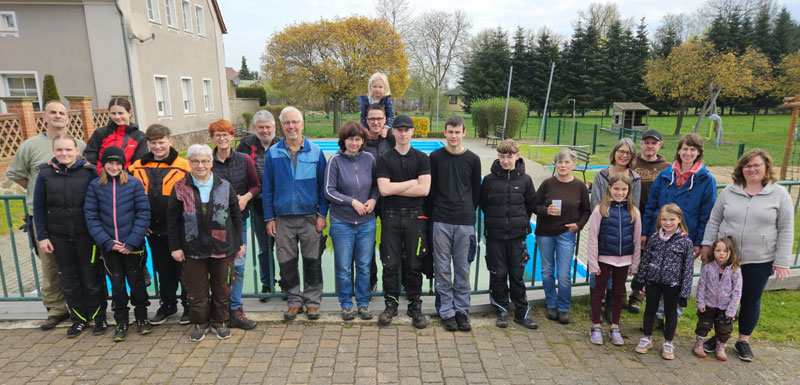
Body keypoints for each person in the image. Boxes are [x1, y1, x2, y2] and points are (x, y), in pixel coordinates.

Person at [699, 149, 794, 362]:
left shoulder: (779, 194)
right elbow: (714, 219)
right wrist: (707, 245)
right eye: (747, 166)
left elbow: (786, 228)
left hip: (758, 259)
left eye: (756, 165)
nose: (752, 169)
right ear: (741, 169)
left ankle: (743, 340)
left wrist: (781, 261)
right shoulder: (730, 192)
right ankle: (720, 336)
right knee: (721, 300)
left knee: (750, 299)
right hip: (725, 259)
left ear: (766, 168)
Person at [7, 100, 86, 330]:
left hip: (74, 214)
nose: (57, 116)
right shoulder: (31, 146)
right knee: (50, 265)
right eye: (53, 112)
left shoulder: (78, 144)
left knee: (78, 263)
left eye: (62, 113)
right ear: (44, 117)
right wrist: (38, 192)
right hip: (43, 216)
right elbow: (17, 174)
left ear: (68, 118)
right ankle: (56, 309)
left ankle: (82, 307)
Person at [168, 144, 245, 342]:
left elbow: (236, 217)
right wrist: (175, 247)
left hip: (222, 247)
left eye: (204, 161)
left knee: (222, 286)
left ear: (211, 163)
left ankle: (220, 322)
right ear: (189, 163)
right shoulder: (179, 188)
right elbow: (173, 221)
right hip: (192, 247)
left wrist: (239, 244)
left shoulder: (224, 186)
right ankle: (200, 323)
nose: (200, 165)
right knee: (196, 289)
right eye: (195, 161)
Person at [32, 134, 103, 338]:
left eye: (68, 150)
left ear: (76, 151)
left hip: (86, 236)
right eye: (60, 150)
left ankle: (98, 317)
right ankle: (79, 319)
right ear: (54, 151)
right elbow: (38, 208)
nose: (64, 153)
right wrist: (43, 236)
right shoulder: (45, 174)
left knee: (91, 277)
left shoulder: (89, 173)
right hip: (59, 237)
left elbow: (99, 203)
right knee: (69, 279)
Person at [642, 133, 716, 326]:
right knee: (658, 274)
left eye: (692, 149)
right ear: (679, 150)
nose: (688, 153)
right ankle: (657, 316)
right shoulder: (666, 175)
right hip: (661, 236)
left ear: (699, 152)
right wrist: (646, 232)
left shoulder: (706, 180)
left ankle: (673, 317)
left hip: (687, 239)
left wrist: (700, 242)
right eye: (685, 148)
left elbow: (706, 214)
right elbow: (652, 205)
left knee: (679, 279)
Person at [262, 107, 328, 321]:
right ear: (282, 127)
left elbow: (323, 188)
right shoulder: (273, 153)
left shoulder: (316, 152)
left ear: (302, 124)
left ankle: (312, 302)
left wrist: (322, 215)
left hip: (309, 217)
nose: (291, 126)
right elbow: (268, 189)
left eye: (295, 122)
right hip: (283, 219)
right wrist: (269, 218)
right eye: (287, 123)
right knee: (286, 262)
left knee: (312, 260)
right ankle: (294, 301)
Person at [84, 146, 151, 342]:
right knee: (117, 285)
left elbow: (143, 213)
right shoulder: (95, 186)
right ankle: (122, 321)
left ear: (123, 165)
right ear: (103, 165)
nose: (114, 167)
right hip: (110, 247)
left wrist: (131, 241)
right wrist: (106, 241)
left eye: (117, 163)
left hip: (132, 246)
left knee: (137, 283)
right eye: (110, 163)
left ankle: (142, 318)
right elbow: (91, 216)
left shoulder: (134, 184)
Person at [129, 124, 191, 326]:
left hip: (179, 229)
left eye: (161, 142)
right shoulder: (136, 167)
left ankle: (189, 306)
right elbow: (128, 198)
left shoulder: (184, 166)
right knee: (163, 270)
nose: (157, 147)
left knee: (185, 269)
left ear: (170, 141)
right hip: (153, 230)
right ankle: (168, 305)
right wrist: (139, 224)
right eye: (153, 143)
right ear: (148, 143)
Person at [375, 115, 431, 329]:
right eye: (399, 130)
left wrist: (396, 186)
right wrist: (410, 183)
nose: (403, 133)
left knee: (414, 262)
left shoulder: (421, 158)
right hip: (390, 217)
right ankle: (391, 304)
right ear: (394, 132)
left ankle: (414, 305)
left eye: (407, 130)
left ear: (412, 132)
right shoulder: (385, 159)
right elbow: (384, 190)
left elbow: (424, 189)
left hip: (415, 217)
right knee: (390, 262)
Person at [429, 115, 481, 332]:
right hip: (441, 221)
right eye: (450, 132)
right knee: (442, 269)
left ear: (464, 133)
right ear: (445, 132)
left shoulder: (473, 159)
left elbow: (476, 191)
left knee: (462, 269)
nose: (453, 136)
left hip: (464, 223)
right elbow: (430, 191)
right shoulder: (435, 157)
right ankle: (447, 312)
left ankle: (462, 311)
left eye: (457, 132)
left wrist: (467, 211)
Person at [479, 139, 537, 330]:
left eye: (509, 156)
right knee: (498, 274)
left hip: (517, 236)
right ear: (498, 157)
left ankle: (522, 313)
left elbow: (530, 206)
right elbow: (484, 205)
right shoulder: (488, 180)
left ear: (517, 156)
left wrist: (518, 223)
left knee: (517, 275)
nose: (506, 161)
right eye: (502, 157)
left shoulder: (526, 180)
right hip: (495, 236)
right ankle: (501, 310)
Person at [208, 119, 260, 330]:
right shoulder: (207, 161)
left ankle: (235, 309)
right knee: (217, 267)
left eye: (226, 134)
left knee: (238, 265)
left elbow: (256, 185)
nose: (222, 138)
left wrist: (246, 197)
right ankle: (219, 310)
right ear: (212, 138)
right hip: (213, 224)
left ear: (232, 136)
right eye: (217, 135)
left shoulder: (244, 159)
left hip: (238, 221)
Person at [325, 121, 378, 321]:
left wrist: (373, 199)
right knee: (344, 266)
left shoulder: (369, 159)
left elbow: (375, 185)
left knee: (364, 265)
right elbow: (329, 191)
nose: (354, 143)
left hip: (366, 222)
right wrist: (352, 202)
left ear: (363, 141)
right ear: (343, 140)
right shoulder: (335, 161)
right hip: (342, 221)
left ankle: (363, 304)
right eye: (350, 139)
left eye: (358, 139)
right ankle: (346, 304)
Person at [533, 149, 591, 325]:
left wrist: (579, 225)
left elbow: (586, 210)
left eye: (566, 162)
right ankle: (551, 303)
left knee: (564, 274)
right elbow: (534, 205)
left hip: (566, 233)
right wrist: (545, 210)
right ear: (555, 164)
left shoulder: (580, 186)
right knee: (547, 271)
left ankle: (564, 307)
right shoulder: (547, 184)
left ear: (573, 165)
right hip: (545, 233)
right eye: (560, 162)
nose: (563, 165)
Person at [588, 138, 641, 323]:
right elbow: (595, 201)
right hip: (605, 228)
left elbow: (634, 203)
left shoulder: (635, 178)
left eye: (628, 152)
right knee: (599, 277)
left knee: (617, 282)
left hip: (622, 232)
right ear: (615, 152)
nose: (624, 155)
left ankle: (611, 306)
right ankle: (596, 306)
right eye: (621, 151)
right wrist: (606, 219)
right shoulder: (601, 175)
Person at [632, 203, 694, 360]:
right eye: (664, 219)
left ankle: (668, 342)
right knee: (650, 310)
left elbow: (688, 269)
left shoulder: (685, 242)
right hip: (653, 282)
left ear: (679, 219)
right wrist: (641, 281)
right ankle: (647, 337)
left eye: (672, 219)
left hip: (673, 285)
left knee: (670, 313)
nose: (668, 223)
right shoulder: (654, 238)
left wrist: (684, 292)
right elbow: (646, 260)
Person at [586, 173, 641, 346]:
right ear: (609, 188)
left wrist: (635, 263)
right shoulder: (600, 210)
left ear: (629, 190)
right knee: (599, 292)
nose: (619, 192)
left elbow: (637, 239)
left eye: (623, 189)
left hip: (623, 261)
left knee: (618, 293)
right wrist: (593, 263)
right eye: (616, 188)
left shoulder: (634, 211)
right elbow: (593, 238)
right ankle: (595, 326)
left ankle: (615, 327)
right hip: (604, 259)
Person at [235, 110, 281, 301]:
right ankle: (267, 283)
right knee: (264, 247)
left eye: (267, 127)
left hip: (281, 204)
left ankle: (287, 282)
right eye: (260, 127)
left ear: (274, 127)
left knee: (285, 248)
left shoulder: (282, 143)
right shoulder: (245, 145)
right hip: (257, 203)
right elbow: (237, 170)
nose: (264, 130)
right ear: (254, 128)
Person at [628, 129, 670, 313]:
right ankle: (616, 294)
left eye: (654, 143)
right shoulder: (632, 162)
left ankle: (637, 296)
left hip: (653, 220)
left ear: (660, 145)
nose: (650, 146)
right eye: (647, 142)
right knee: (624, 256)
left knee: (647, 260)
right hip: (630, 217)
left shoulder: (666, 167)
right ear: (641, 144)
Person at [693, 237, 742, 361]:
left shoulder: (735, 270)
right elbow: (701, 286)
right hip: (708, 305)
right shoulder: (708, 268)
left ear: (731, 253)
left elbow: (737, 292)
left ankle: (720, 348)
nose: (721, 253)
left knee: (724, 330)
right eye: (718, 250)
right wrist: (700, 302)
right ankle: (699, 345)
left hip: (725, 307)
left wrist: (732, 310)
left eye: (725, 251)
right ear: (713, 252)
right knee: (703, 325)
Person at [84, 97, 147, 170]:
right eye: (113, 113)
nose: (117, 117)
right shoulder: (100, 133)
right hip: (101, 178)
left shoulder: (139, 136)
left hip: (127, 178)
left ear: (130, 113)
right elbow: (90, 157)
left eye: (120, 113)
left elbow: (138, 163)